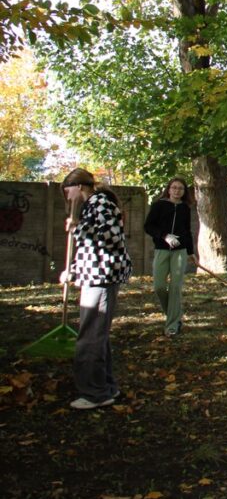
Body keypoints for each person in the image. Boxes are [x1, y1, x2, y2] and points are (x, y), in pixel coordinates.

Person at [60, 168, 132, 410]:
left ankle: (94, 393)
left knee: (91, 337)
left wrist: (77, 228)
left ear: (79, 186)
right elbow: (92, 247)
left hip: (102, 277)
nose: (66, 195)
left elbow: (110, 236)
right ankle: (107, 387)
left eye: (67, 189)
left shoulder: (100, 203)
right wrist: (74, 270)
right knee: (96, 335)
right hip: (94, 275)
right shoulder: (92, 204)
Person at [144, 177, 196, 336]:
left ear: (184, 192)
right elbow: (148, 226)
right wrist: (165, 236)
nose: (177, 191)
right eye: (174, 188)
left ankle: (172, 325)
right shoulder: (159, 205)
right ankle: (175, 315)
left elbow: (187, 231)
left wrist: (191, 252)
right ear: (168, 189)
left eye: (180, 188)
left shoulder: (185, 208)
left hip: (179, 251)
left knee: (175, 287)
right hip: (162, 249)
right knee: (159, 286)